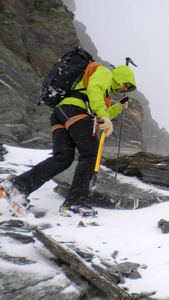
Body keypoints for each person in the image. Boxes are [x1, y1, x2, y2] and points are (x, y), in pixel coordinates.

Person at [0, 64, 136, 217]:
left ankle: (17, 186)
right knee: (90, 154)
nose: (124, 88)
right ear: (121, 77)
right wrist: (103, 115)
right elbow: (94, 90)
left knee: (63, 158)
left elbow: (98, 111)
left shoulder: (104, 93)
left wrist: (117, 107)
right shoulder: (105, 73)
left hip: (61, 113)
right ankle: (75, 203)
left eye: (128, 88)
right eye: (126, 84)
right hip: (74, 111)